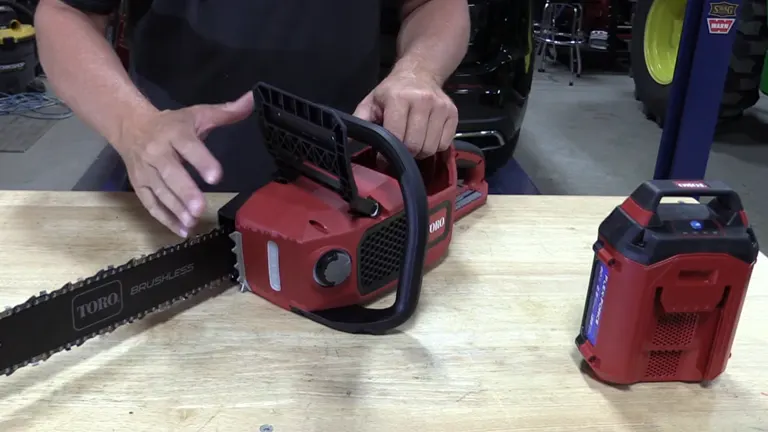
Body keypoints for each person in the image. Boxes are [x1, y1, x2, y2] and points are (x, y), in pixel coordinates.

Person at [35, 0, 470, 238]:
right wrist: (131, 125)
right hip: (183, 192)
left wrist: (419, 72)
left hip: (344, 194)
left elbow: (434, 4)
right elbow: (64, 11)